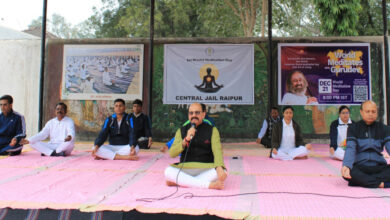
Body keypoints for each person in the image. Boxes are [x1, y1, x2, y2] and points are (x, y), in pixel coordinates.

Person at [164, 102, 227, 190]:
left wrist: (219, 167)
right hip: (186, 168)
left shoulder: (212, 130)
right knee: (168, 171)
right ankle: (210, 185)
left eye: (197, 113)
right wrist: (186, 139)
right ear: (188, 115)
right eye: (191, 113)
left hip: (206, 167)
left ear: (203, 114)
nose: (194, 115)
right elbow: (172, 153)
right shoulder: (181, 130)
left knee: (223, 171)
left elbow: (217, 151)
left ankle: (180, 182)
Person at [341, 100, 390, 188]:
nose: (370, 114)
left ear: (377, 113)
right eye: (367, 111)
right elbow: (350, 148)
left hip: (378, 166)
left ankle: (360, 181)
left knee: (354, 178)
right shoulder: (353, 128)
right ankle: (382, 184)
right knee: (349, 172)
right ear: (361, 112)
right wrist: (347, 165)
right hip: (360, 166)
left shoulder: (384, 128)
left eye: (373, 111)